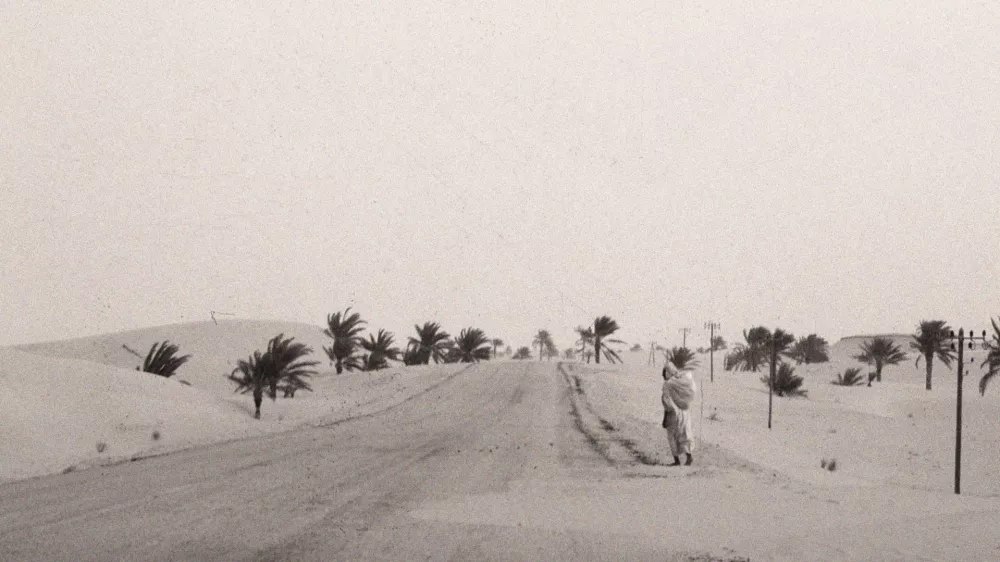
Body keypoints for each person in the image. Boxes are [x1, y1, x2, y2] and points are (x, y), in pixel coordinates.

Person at [661, 362, 696, 466]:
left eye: (664, 372)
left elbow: (667, 402)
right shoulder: (680, 381)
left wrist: (665, 418)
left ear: (667, 372)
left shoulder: (668, 384)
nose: (663, 375)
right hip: (685, 412)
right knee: (685, 434)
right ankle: (689, 457)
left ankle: (676, 460)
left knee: (671, 436)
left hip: (674, 414)